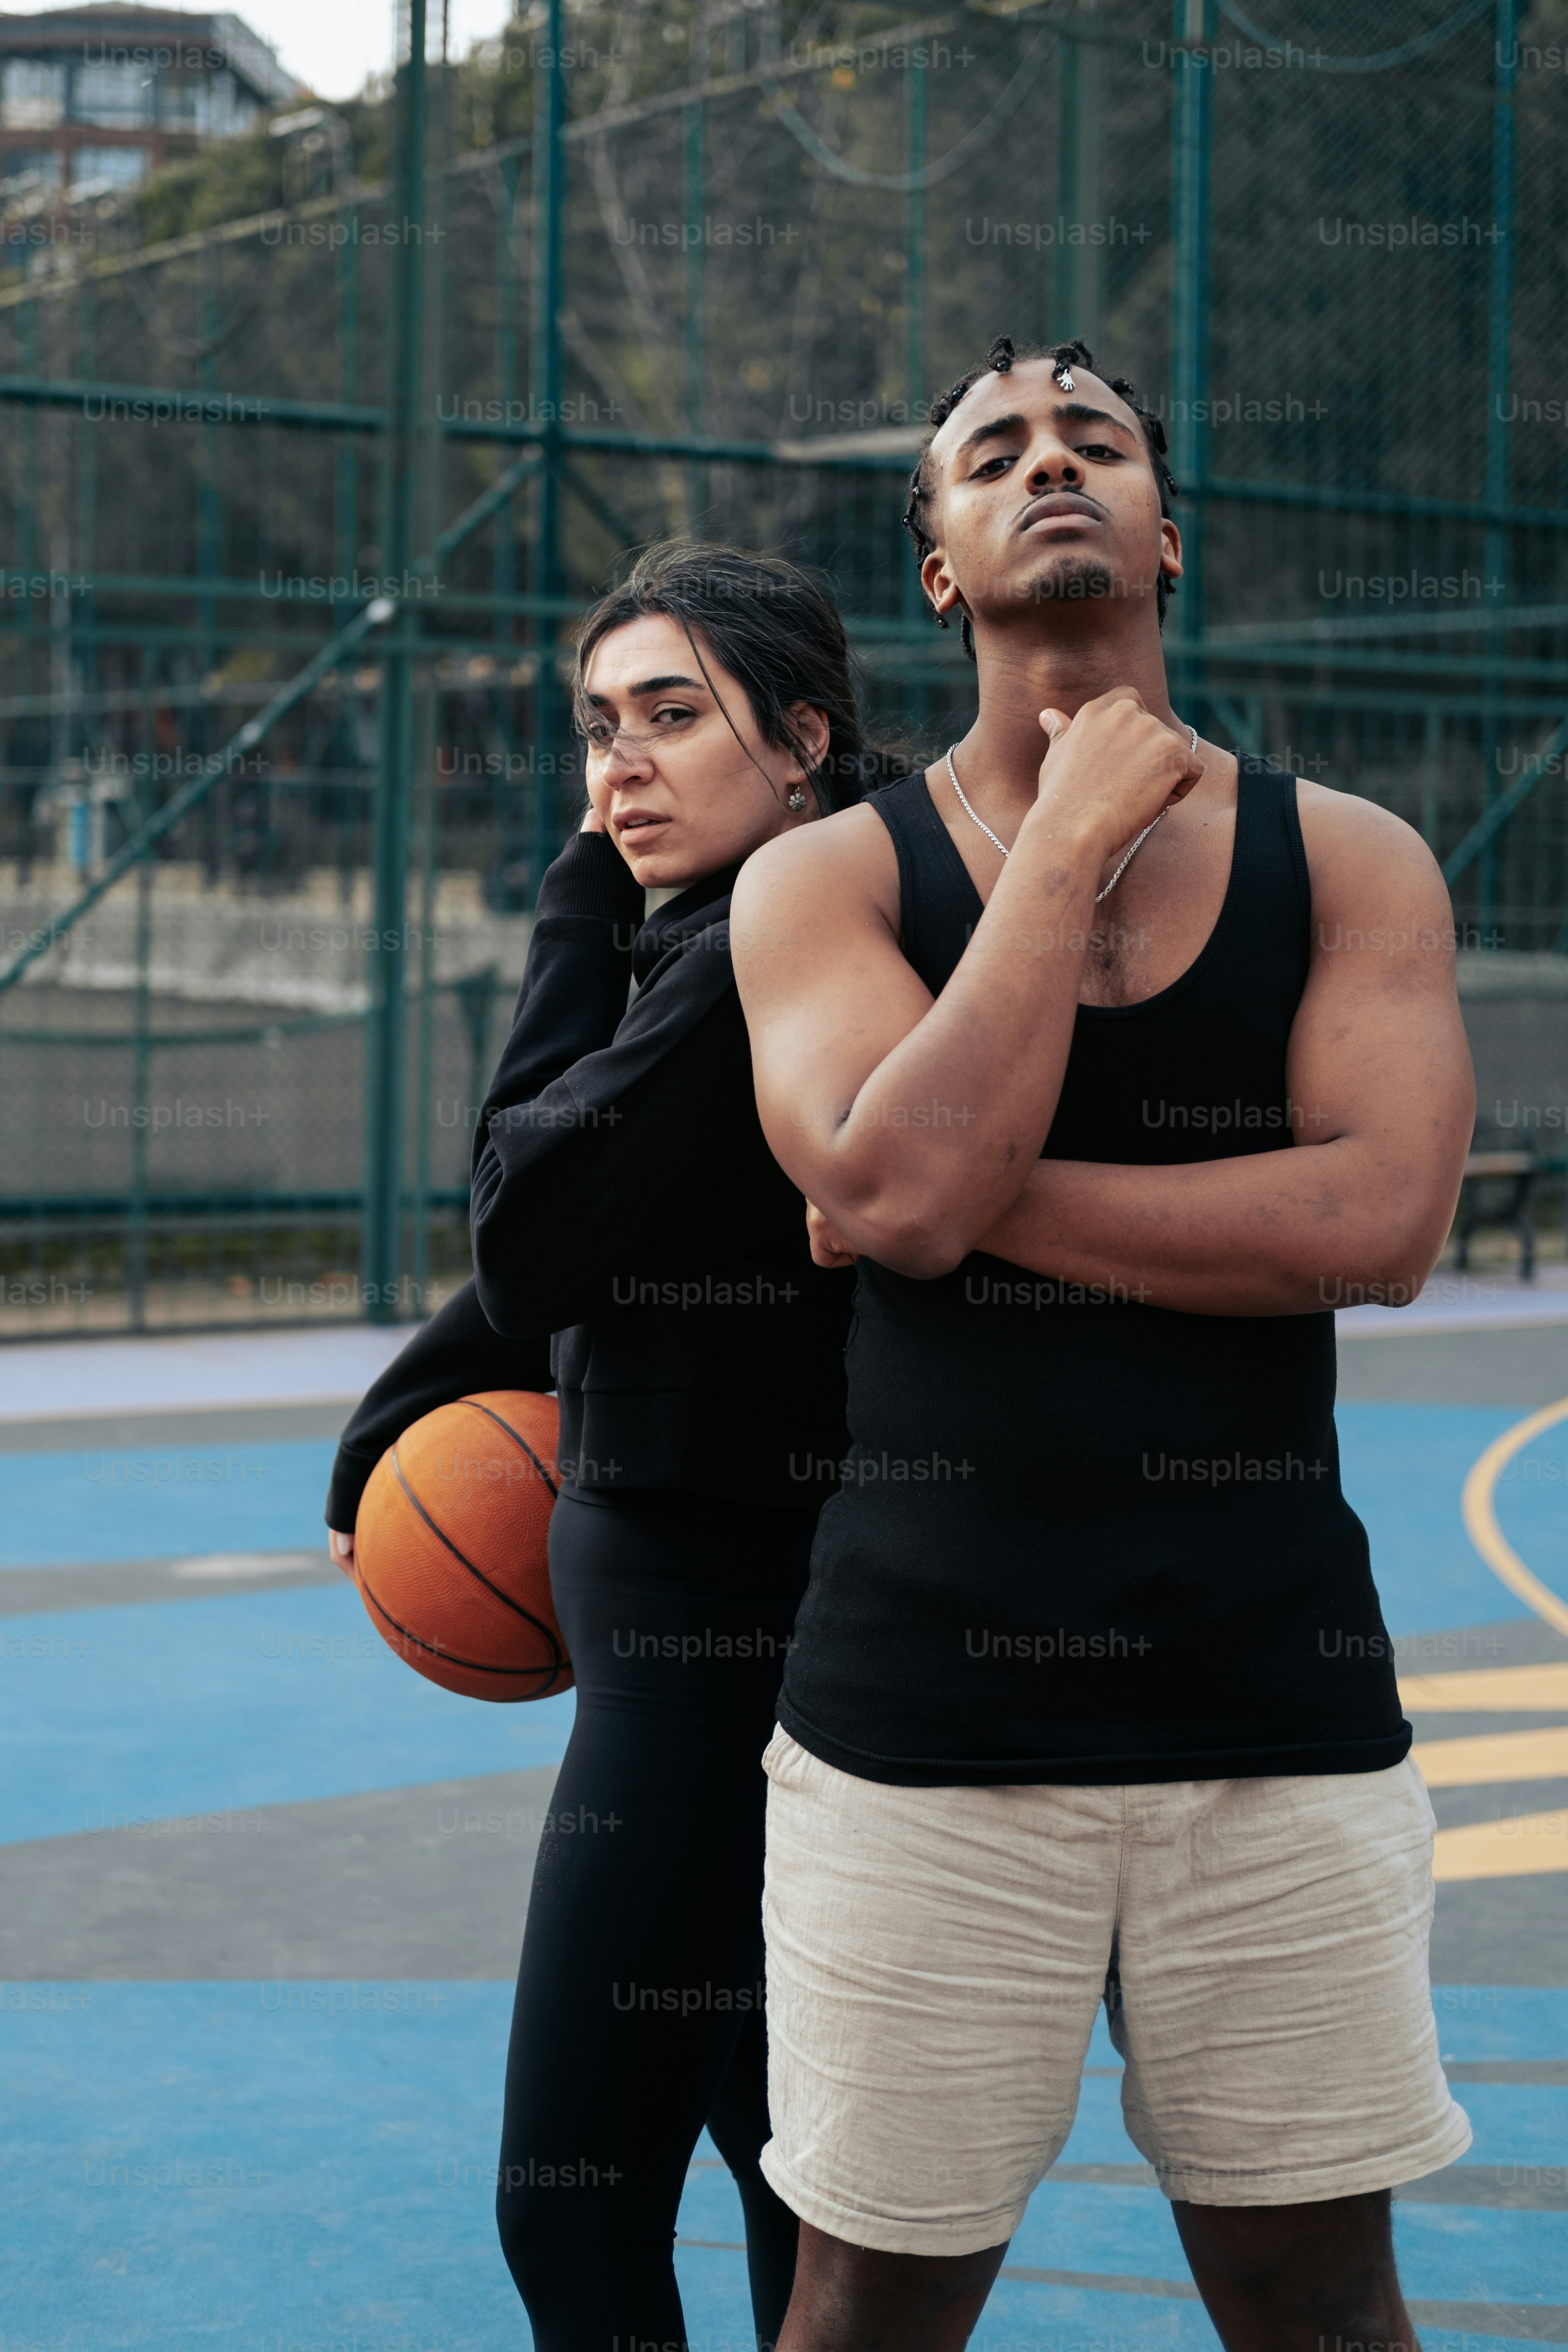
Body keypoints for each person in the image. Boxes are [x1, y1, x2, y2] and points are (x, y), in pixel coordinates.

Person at [730, 339, 1476, 2352]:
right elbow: (894, 1199)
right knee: (865, 2311)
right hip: (922, 1734)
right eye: (992, 454)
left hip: (1279, 1713)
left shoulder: (1349, 859)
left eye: (1094, 442)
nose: (1048, 464)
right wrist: (1059, 847)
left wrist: (952, 1197)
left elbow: (1374, 1224)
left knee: (1324, 2306)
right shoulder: (819, 879)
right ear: (939, 572)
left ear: (1165, 530)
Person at [325, 543, 902, 2352]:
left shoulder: (759, 944)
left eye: (671, 716)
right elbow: (586, 1261)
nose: (618, 768)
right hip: (724, 1643)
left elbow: (537, 1216)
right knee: (776, 2174)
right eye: (597, 730)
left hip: (704, 1668)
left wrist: (570, 895)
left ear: (801, 735)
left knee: (567, 2201)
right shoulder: (770, 921)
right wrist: (389, 1428)